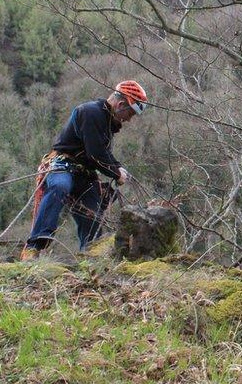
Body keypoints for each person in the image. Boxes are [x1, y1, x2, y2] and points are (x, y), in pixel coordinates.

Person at [20, 80, 148, 260]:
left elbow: (102, 153)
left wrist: (117, 167)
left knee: (92, 214)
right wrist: (116, 172)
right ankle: (35, 245)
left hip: (84, 175)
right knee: (59, 186)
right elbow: (95, 153)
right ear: (120, 105)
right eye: (130, 113)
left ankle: (90, 257)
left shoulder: (106, 122)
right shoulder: (91, 112)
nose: (128, 119)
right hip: (62, 165)